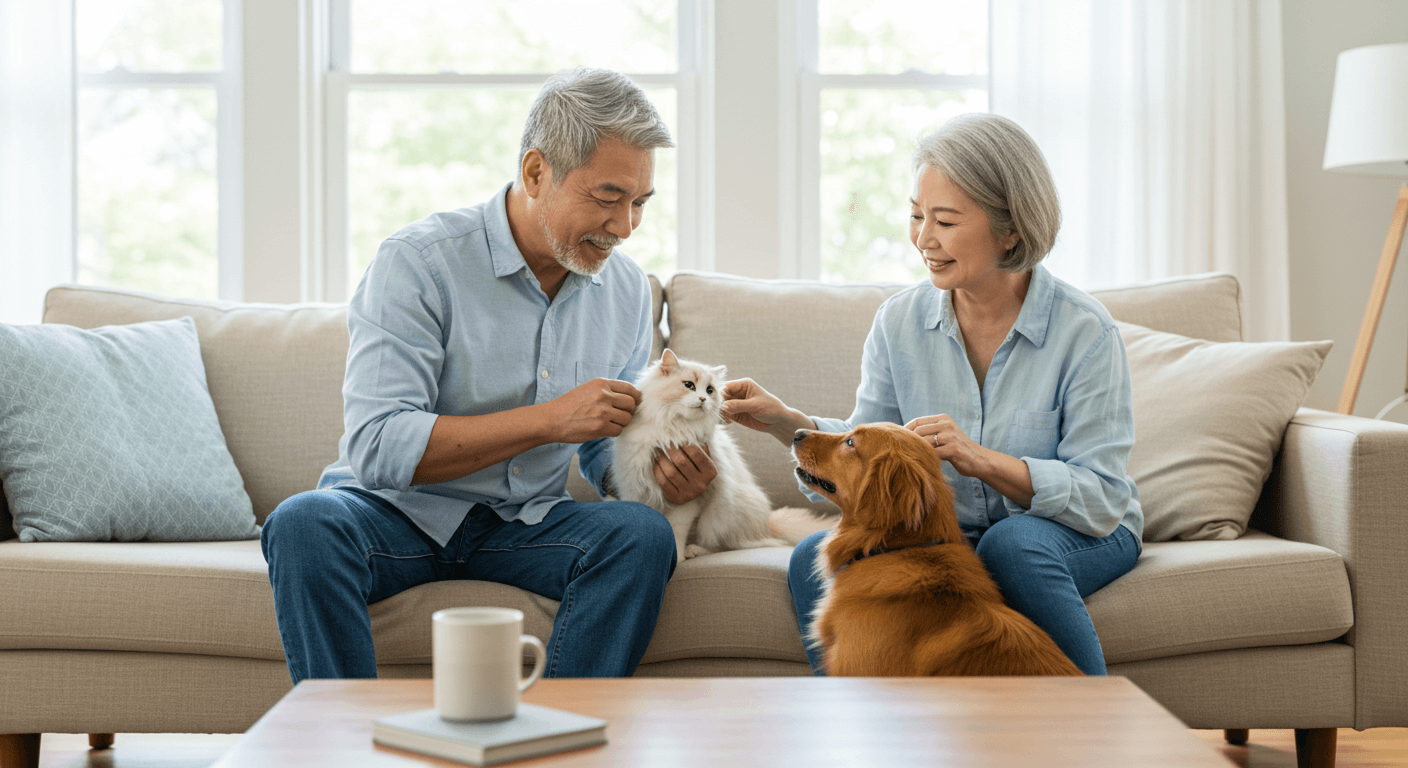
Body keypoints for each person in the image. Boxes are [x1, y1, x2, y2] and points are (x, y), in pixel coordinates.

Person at [261, 68, 718, 684]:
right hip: (395, 515)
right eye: (608, 198)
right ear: (536, 172)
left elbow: (595, 448)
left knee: (638, 534)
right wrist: (549, 420)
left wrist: (658, 475)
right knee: (301, 525)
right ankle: (339, 745)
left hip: (527, 523)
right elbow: (377, 445)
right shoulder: (419, 263)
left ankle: (563, 740)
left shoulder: (627, 291)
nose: (625, 226)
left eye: (639, 203)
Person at [722, 113, 1143, 676]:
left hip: (1081, 532)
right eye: (917, 216)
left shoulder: (1084, 332)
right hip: (951, 532)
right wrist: (785, 422)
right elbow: (866, 457)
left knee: (1013, 547)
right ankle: (862, 733)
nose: (923, 239)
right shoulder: (899, 322)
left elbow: (1102, 497)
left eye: (944, 221)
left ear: (1010, 228)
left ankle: (1093, 726)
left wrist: (982, 461)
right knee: (808, 560)